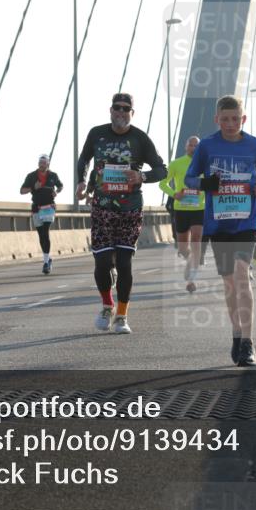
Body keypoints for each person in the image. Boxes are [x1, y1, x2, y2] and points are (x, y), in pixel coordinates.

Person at [185, 95, 256, 367]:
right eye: (225, 119)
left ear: (243, 119)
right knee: (229, 283)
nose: (230, 123)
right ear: (217, 119)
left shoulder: (254, 144)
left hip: (247, 221)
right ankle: (236, 334)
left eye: (235, 119)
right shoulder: (208, 146)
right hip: (218, 222)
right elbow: (190, 177)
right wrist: (205, 183)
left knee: (241, 275)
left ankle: (248, 343)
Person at [76, 92, 166, 333]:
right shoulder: (97, 133)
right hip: (103, 207)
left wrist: (142, 176)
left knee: (124, 263)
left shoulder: (140, 139)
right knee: (102, 262)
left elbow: (162, 170)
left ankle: (122, 316)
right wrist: (81, 182)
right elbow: (84, 159)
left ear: (132, 114)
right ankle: (107, 305)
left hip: (130, 207)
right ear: (110, 110)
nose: (121, 112)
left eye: (126, 109)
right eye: (117, 107)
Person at [159, 136, 204, 292]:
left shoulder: (206, 165)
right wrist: (174, 194)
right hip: (181, 209)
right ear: (186, 147)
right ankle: (190, 259)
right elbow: (162, 183)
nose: (193, 148)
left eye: (196, 145)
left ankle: (192, 279)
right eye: (190, 145)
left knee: (197, 238)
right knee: (183, 248)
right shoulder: (176, 164)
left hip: (199, 208)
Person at [19, 154, 64, 274]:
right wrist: (33, 187)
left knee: (45, 232)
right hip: (36, 208)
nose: (41, 165)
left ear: (48, 164)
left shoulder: (53, 176)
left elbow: (61, 186)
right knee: (41, 235)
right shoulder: (32, 176)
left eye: (44, 163)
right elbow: (22, 191)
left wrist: (57, 191)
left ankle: (45, 263)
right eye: (40, 162)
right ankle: (48, 259)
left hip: (49, 208)